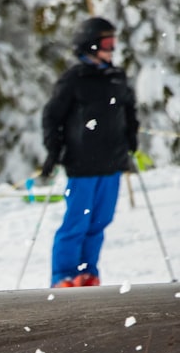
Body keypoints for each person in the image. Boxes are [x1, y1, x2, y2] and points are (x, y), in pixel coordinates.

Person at [40, 16, 138, 288]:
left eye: (113, 42)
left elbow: (129, 110)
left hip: (112, 163)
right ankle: (64, 275)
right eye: (107, 42)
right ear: (90, 45)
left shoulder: (116, 77)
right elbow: (52, 116)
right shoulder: (75, 79)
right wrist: (53, 150)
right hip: (82, 164)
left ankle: (87, 272)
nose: (112, 48)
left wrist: (131, 135)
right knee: (76, 224)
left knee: (100, 221)